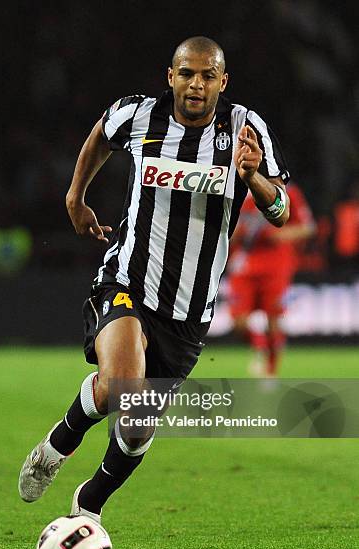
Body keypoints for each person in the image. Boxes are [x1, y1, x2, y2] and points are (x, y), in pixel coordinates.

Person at [18, 36, 290, 524]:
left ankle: (89, 497)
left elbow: (282, 211)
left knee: (135, 421)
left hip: (189, 312)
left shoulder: (247, 129)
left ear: (222, 82)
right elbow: (102, 133)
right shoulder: (139, 115)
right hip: (128, 281)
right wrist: (75, 196)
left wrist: (254, 179)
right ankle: (67, 466)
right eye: (187, 73)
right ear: (171, 76)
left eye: (208, 75)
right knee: (125, 387)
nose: (196, 84)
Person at [226, 182, 315, 377]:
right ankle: (260, 347)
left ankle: (271, 373)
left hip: (276, 266)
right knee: (238, 321)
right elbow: (225, 232)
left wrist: (280, 234)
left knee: (274, 321)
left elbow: (307, 227)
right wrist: (236, 234)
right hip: (244, 265)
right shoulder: (234, 189)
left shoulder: (289, 191)